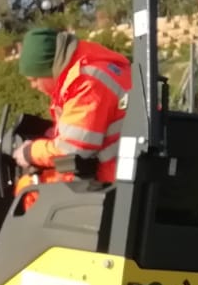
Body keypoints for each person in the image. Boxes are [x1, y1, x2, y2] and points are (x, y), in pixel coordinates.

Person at [10, 26, 131, 208]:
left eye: (34, 79)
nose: (33, 86)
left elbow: (70, 152)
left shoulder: (85, 81)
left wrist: (29, 152)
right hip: (126, 170)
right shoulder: (92, 65)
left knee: (28, 189)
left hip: (114, 181)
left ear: (49, 69)